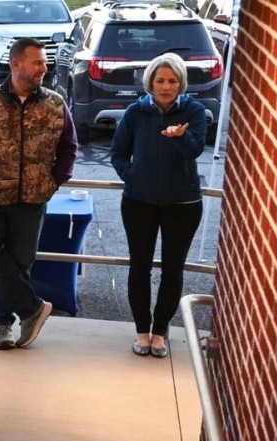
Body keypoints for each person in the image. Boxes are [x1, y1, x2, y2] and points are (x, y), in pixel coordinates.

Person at [0, 37, 78, 350]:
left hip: (33, 200)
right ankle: (32, 309)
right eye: (37, 62)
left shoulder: (54, 103)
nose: (44, 67)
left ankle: (2, 324)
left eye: (44, 62)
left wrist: (54, 181)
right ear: (16, 64)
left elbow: (69, 146)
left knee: (19, 264)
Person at [110, 53, 206, 358]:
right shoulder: (135, 112)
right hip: (139, 202)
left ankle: (160, 333)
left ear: (181, 83)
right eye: (160, 80)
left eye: (173, 81)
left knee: (172, 270)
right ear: (151, 81)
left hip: (183, 203)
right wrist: (133, 176)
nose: (166, 87)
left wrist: (180, 137)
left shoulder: (195, 111)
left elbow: (194, 151)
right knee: (139, 268)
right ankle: (141, 331)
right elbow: (118, 153)